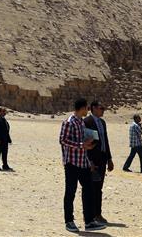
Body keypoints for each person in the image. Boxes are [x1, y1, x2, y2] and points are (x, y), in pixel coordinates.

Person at [59, 98, 104, 232]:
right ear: (82, 108)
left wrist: (88, 158)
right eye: (86, 108)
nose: (88, 111)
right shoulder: (69, 122)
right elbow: (62, 140)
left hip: (82, 163)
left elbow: (82, 143)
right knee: (70, 192)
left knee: (89, 191)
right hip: (71, 163)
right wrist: (81, 145)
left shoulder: (81, 123)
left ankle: (89, 221)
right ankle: (69, 221)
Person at [84, 101, 113, 224]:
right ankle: (90, 215)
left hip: (102, 159)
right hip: (92, 159)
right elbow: (86, 141)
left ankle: (98, 213)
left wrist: (109, 158)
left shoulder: (102, 123)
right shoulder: (87, 121)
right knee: (91, 188)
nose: (103, 110)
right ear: (94, 108)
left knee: (99, 188)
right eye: (101, 108)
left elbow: (105, 141)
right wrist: (88, 160)